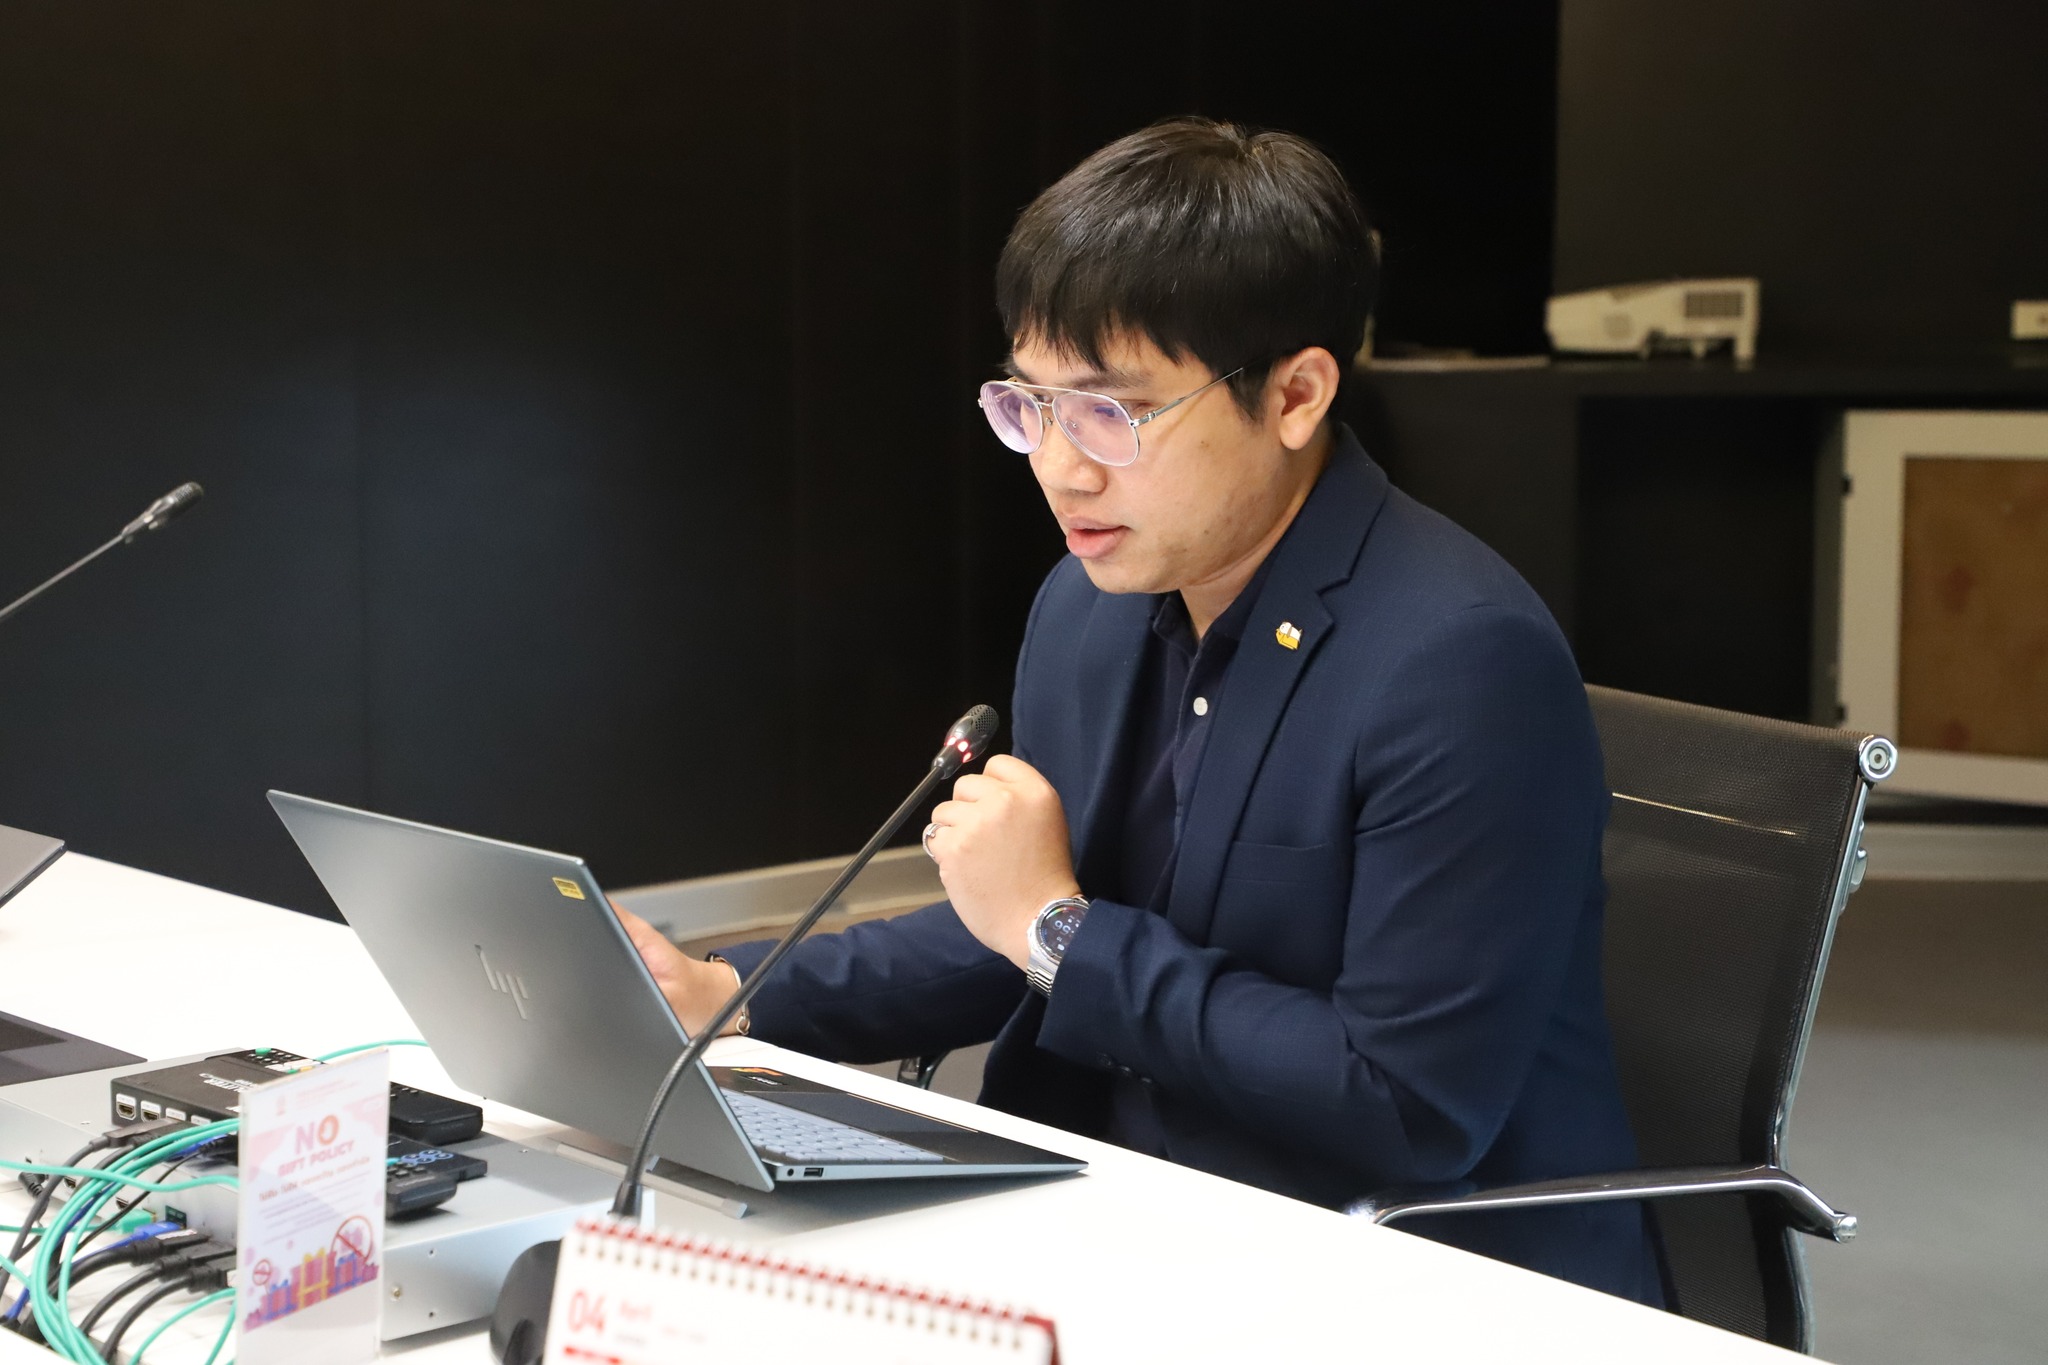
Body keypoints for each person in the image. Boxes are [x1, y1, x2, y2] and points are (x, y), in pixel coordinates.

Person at [618, 117, 1661, 1303]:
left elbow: (1403, 1107)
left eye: (1112, 412)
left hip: (1401, 1270)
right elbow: (1019, 929)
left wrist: (1054, 928)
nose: (1061, 467)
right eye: (1031, 404)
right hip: (1123, 1206)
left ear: (1294, 394)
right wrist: (735, 994)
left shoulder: (1457, 661)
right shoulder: (1089, 603)